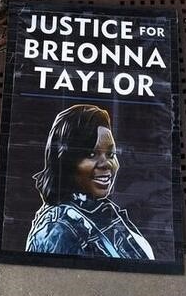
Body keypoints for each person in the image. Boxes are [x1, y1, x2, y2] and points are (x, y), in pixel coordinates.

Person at [25, 104, 155, 259]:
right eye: (91, 154)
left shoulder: (101, 211)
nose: (106, 163)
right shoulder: (57, 230)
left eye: (110, 154)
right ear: (65, 161)